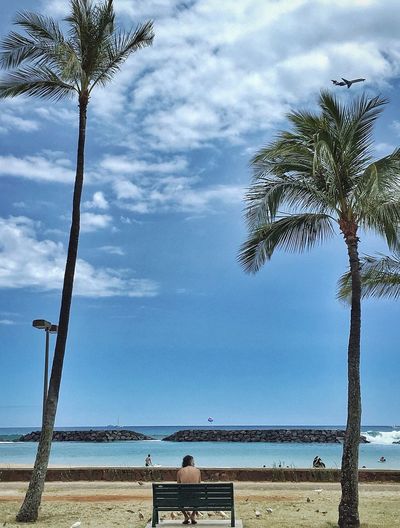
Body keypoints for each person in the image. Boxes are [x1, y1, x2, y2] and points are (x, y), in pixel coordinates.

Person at [177, 455, 201, 525]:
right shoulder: (197, 471)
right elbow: (199, 485)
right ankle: (193, 515)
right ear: (190, 462)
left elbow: (178, 486)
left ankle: (186, 516)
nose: (194, 463)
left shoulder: (180, 471)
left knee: (178, 499)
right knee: (198, 496)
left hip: (184, 497)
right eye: (193, 461)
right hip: (195, 497)